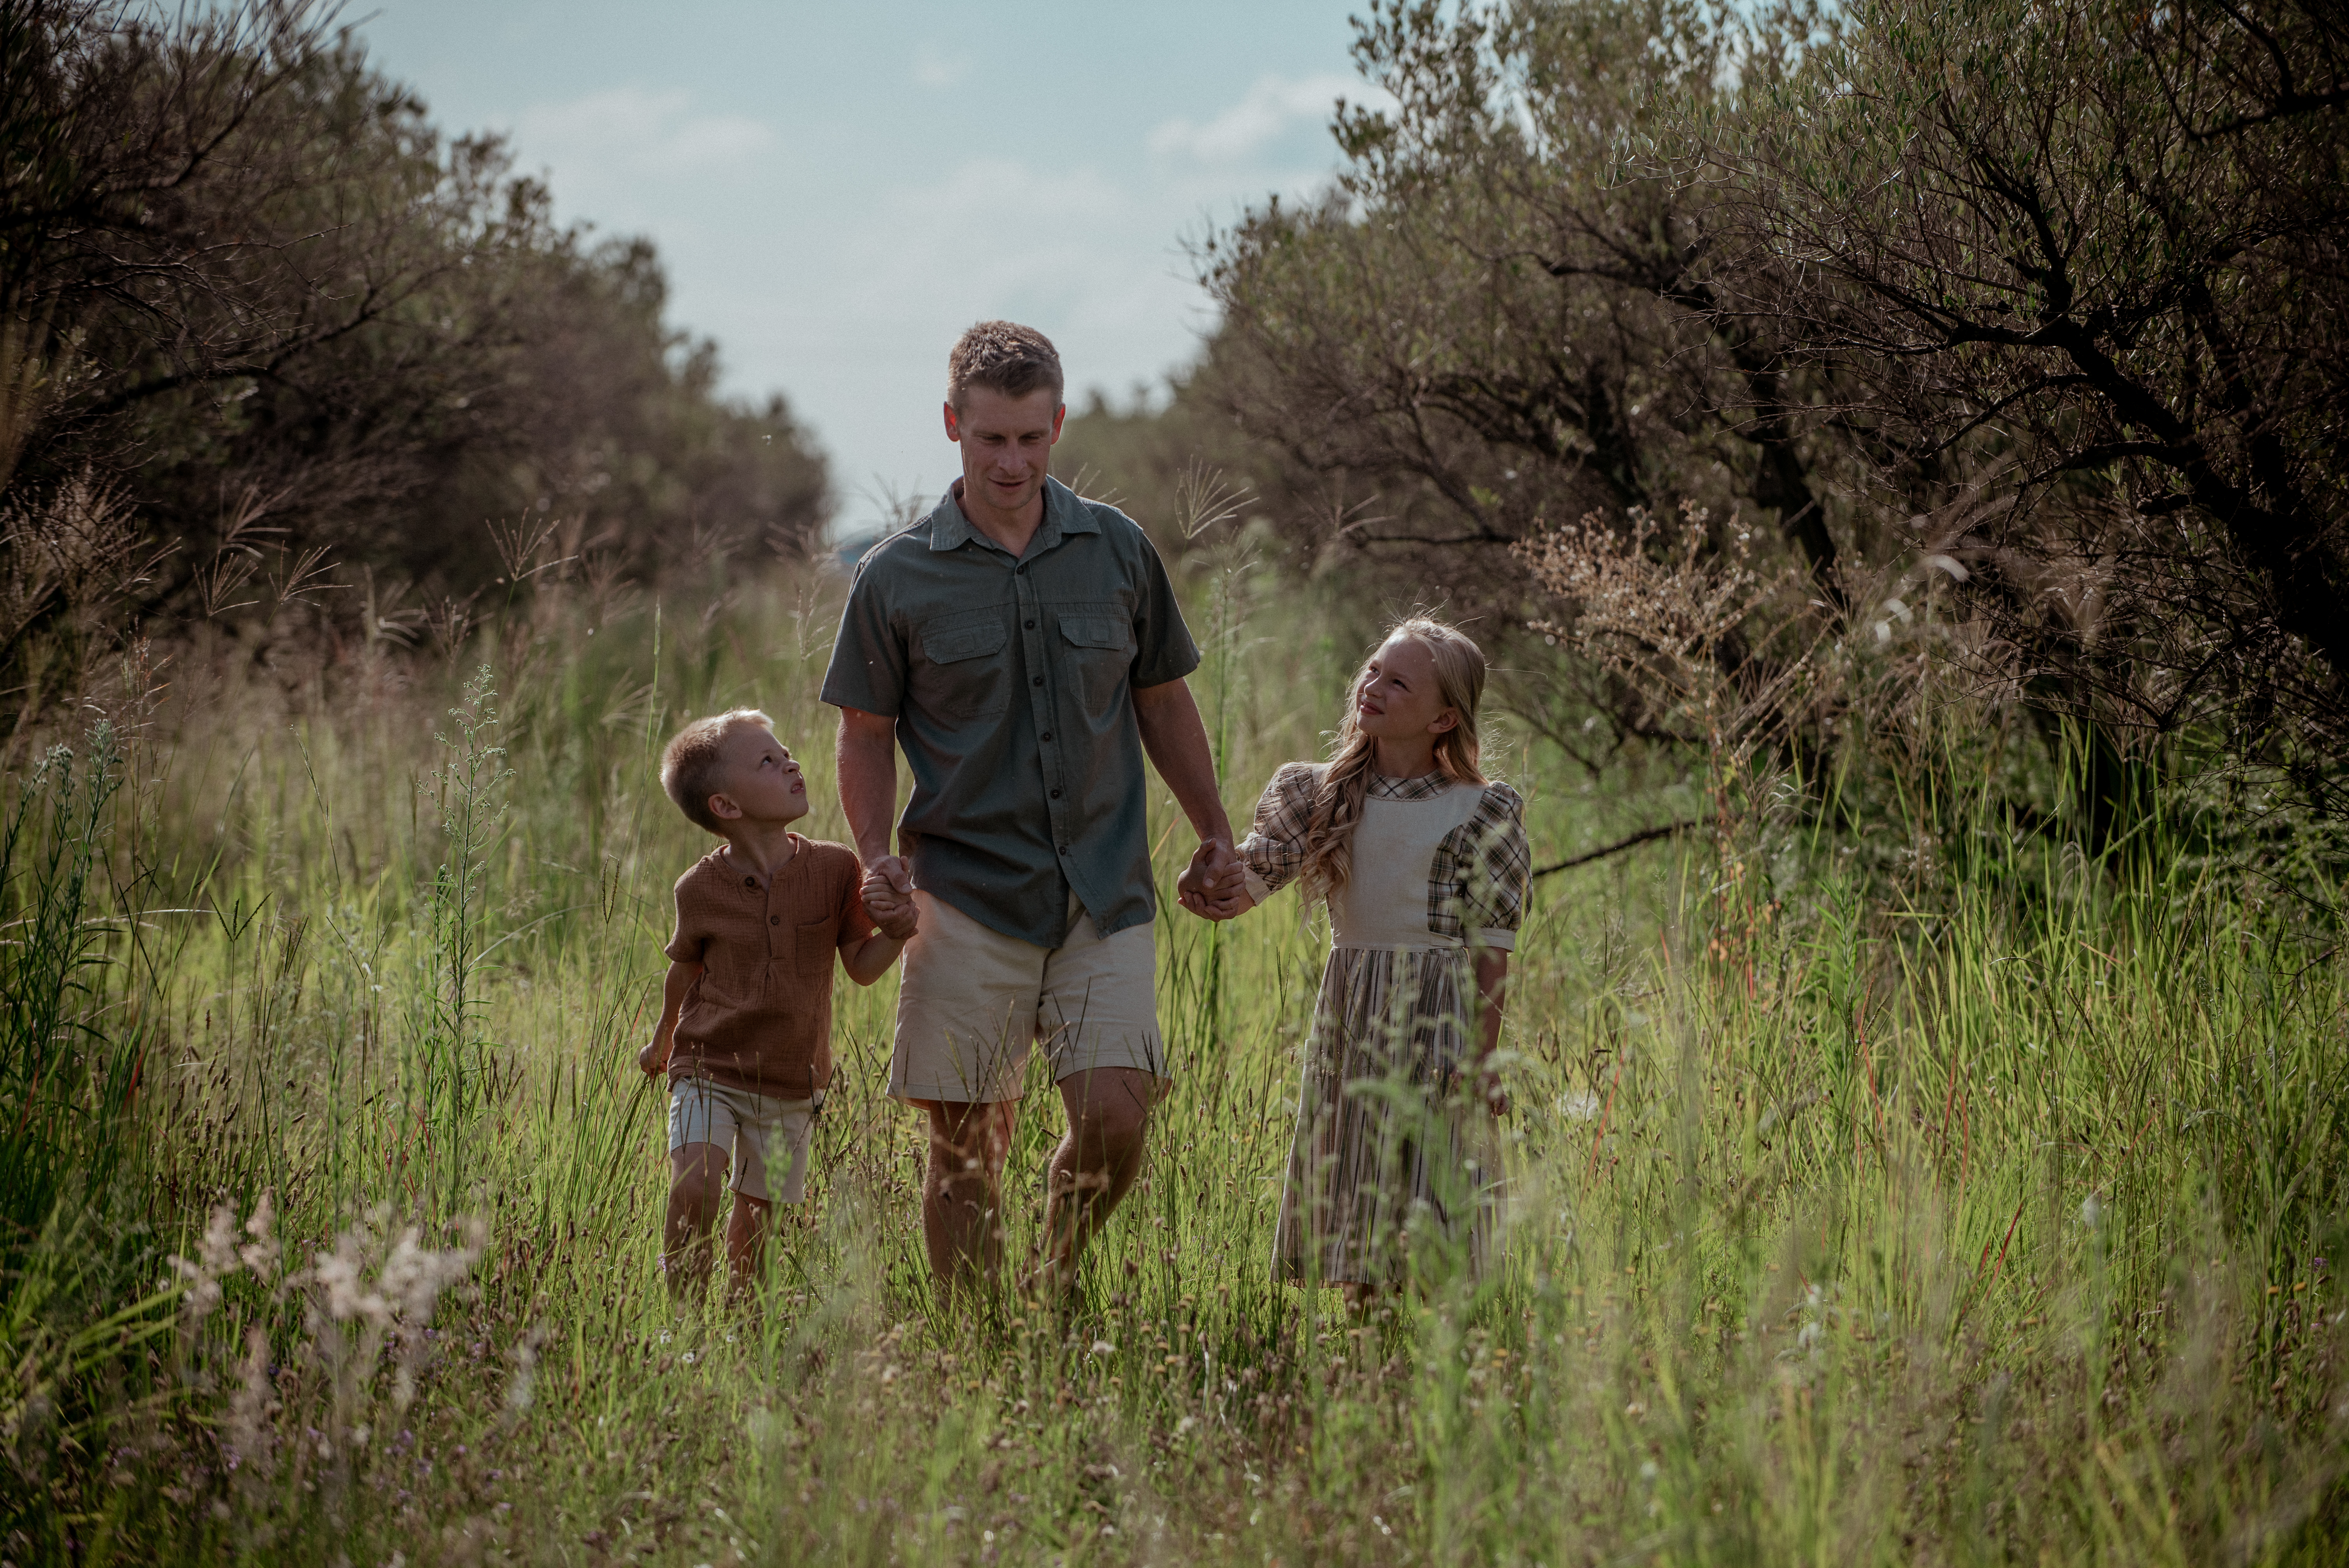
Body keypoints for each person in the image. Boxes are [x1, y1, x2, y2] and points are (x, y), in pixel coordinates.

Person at [823, 320, 1241, 1299]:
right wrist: (873, 855)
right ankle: (975, 1350)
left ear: (1057, 423)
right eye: (988, 439)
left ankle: (1052, 1281)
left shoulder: (1117, 550)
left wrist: (1215, 828)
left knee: (1116, 1119)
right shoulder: (895, 575)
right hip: (964, 893)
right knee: (962, 1153)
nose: (1010, 461)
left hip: (1104, 889)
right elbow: (863, 733)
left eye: (1029, 437)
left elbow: (1163, 701)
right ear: (951, 427)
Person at [1186, 619, 1529, 1299]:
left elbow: (1492, 948)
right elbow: (1243, 890)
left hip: (1440, 1013)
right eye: (1373, 670)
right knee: (1358, 1175)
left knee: (1432, 1181)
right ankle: (1366, 1342)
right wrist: (1207, 882)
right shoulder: (1317, 793)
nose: (1372, 686)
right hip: (1353, 1009)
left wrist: (1483, 1058)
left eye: (1397, 682)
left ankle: (1435, 1353)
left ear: (1443, 718)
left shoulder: (1480, 808)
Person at [640, 708, 916, 1298]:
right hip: (707, 1066)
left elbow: (861, 969)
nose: (790, 761)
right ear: (727, 807)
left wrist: (897, 934)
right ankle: (682, 1318)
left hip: (792, 1080)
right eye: (767, 761)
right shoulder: (699, 889)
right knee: (696, 1184)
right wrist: (664, 1039)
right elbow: (683, 972)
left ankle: (742, 1335)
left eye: (784, 751)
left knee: (756, 1227)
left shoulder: (836, 869)